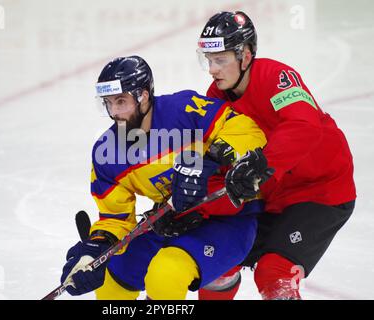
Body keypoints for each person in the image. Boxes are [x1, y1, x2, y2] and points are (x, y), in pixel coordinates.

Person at [59, 55, 269, 299]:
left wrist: (210, 158)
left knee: (165, 273)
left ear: (144, 95)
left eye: (121, 102)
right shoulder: (107, 151)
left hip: (230, 217)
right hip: (172, 220)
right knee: (111, 277)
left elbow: (247, 130)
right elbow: (114, 217)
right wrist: (95, 247)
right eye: (108, 103)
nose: (114, 112)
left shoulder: (183, 109)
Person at [195, 11, 356, 300]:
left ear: (245, 56)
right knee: (217, 262)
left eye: (220, 60)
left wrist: (262, 163)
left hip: (320, 191)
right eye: (208, 60)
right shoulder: (214, 97)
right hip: (270, 194)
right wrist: (190, 206)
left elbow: (304, 125)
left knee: (274, 273)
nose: (212, 69)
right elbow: (212, 161)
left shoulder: (276, 76)